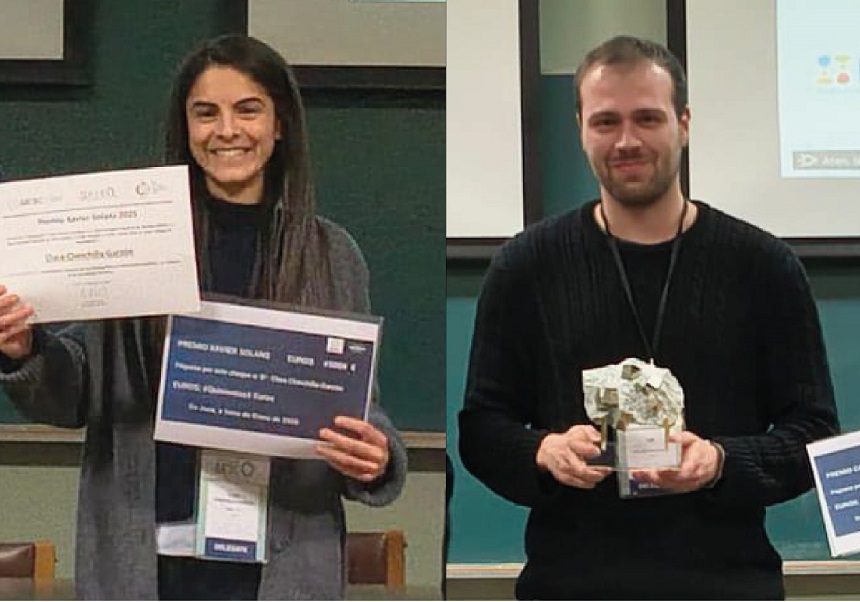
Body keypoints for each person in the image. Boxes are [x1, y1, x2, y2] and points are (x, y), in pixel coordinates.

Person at [0, 34, 407, 600]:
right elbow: (76, 389)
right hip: (148, 563)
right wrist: (25, 350)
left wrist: (377, 456)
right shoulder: (140, 238)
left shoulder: (328, 253)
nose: (227, 130)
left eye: (248, 110)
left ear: (281, 124)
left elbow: (358, 405)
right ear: (186, 127)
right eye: (206, 113)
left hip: (281, 566)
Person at [458, 35, 839, 600]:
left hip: (727, 587)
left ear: (683, 124)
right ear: (581, 129)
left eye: (647, 119)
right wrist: (541, 452)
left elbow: (815, 435)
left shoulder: (765, 267)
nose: (627, 141)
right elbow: (481, 430)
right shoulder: (525, 267)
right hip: (571, 587)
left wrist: (720, 462)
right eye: (606, 122)